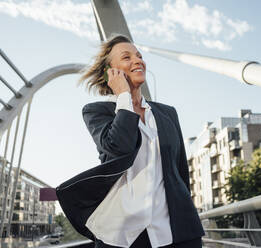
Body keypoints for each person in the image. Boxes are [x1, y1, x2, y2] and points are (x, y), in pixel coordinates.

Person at [56, 35, 205, 248]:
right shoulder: (96, 112)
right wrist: (124, 96)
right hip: (124, 235)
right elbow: (119, 146)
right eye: (127, 57)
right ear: (111, 71)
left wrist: (185, 210)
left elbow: (180, 168)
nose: (138, 60)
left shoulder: (168, 114)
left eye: (139, 56)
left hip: (177, 233)